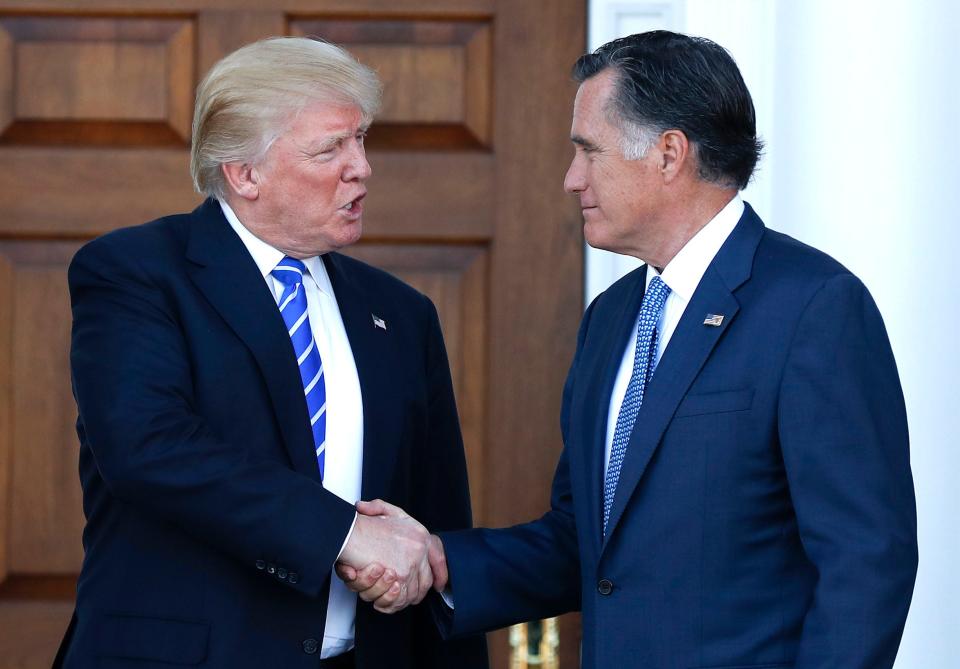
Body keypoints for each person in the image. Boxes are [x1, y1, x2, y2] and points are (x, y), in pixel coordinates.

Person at [341, 31, 918, 669]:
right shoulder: (612, 319)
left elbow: (864, 562)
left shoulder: (815, 306)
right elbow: (584, 539)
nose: (571, 179)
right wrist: (441, 560)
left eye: (588, 151)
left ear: (669, 154)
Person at [55, 37, 487, 669]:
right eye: (330, 148)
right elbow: (149, 449)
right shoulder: (136, 273)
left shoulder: (400, 312)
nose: (361, 167)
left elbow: (434, 519)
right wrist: (346, 535)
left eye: (361, 139)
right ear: (244, 172)